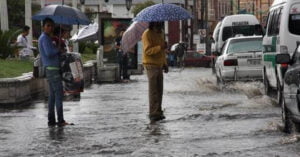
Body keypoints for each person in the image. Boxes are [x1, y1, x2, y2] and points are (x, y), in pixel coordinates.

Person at [38, 18, 70, 127]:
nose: (50, 28)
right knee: (59, 94)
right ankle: (60, 120)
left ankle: (51, 120)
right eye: (48, 25)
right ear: (43, 27)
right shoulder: (45, 38)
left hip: (51, 69)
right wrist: (58, 49)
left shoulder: (47, 38)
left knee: (52, 96)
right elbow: (49, 53)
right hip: (52, 69)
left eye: (51, 26)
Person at [142, 22, 168, 122]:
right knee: (153, 90)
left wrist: (165, 63)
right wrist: (160, 47)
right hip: (150, 65)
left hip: (159, 65)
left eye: (161, 26)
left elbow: (162, 52)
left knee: (159, 90)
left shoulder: (160, 33)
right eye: (158, 26)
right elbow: (147, 50)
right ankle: (153, 113)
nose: (160, 28)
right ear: (153, 24)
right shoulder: (147, 34)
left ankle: (159, 111)